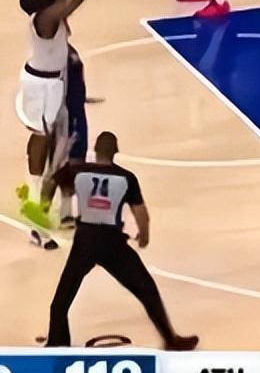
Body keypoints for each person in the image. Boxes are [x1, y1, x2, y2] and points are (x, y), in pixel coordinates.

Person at [46, 130, 199, 350]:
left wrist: (43, 206)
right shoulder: (126, 178)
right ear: (115, 151)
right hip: (112, 243)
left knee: (63, 297)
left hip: (85, 240)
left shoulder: (78, 170)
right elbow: (141, 213)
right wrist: (144, 235)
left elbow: (51, 183)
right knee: (146, 289)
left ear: (95, 149)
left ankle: (57, 342)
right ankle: (170, 339)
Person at [15, 0, 97, 229]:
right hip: (42, 84)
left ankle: (40, 197)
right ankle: (33, 196)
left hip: (52, 80)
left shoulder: (44, 2)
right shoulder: (46, 18)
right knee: (42, 138)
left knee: (52, 140)